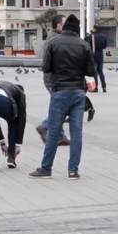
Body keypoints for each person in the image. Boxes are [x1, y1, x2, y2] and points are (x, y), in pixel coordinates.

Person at [29, 14, 96, 180]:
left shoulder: (53, 43)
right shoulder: (84, 45)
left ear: (64, 27)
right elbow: (90, 72)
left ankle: (46, 169)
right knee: (77, 132)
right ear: (77, 28)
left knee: (53, 131)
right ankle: (73, 170)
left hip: (59, 92)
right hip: (78, 93)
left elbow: (46, 68)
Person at [36, 15, 70, 146]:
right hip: (54, 79)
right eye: (64, 23)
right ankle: (45, 126)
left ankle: (60, 136)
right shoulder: (56, 39)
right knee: (62, 107)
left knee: (58, 106)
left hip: (52, 78)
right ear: (58, 25)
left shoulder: (53, 37)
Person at [88, 24, 107, 93]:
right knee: (101, 72)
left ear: (94, 29)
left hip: (93, 56)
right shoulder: (103, 36)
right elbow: (105, 46)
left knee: (94, 73)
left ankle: (95, 88)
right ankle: (104, 87)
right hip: (100, 56)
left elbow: (88, 45)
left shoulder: (91, 36)